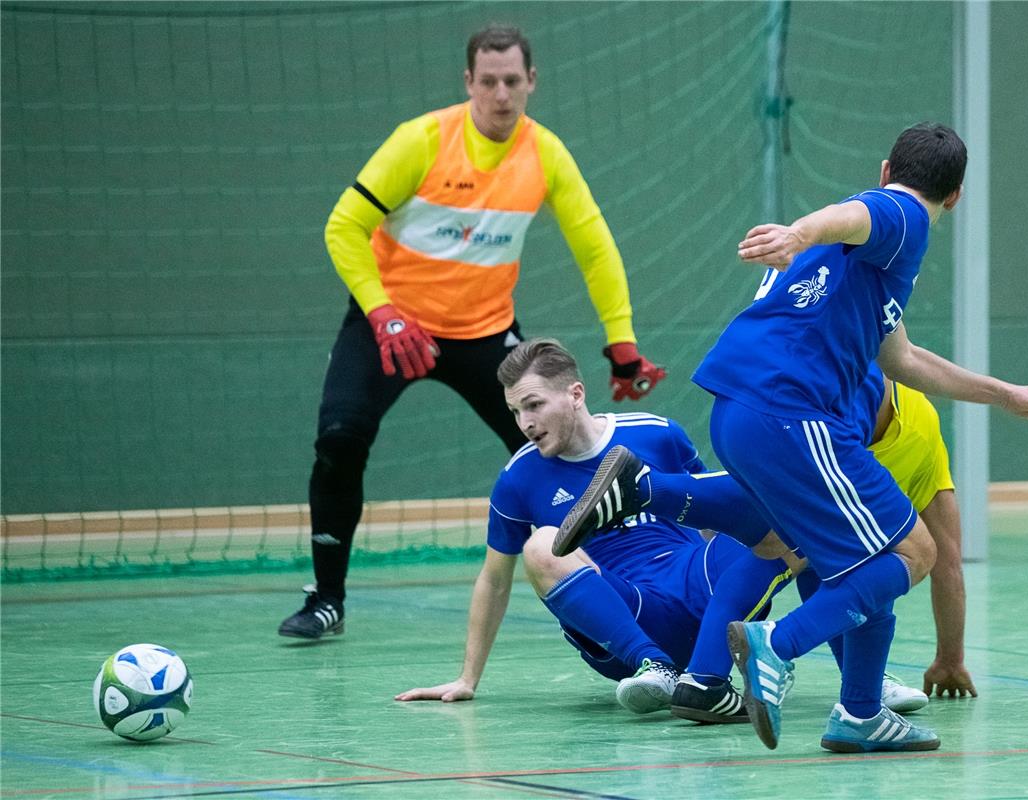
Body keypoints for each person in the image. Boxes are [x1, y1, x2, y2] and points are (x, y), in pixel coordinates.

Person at [278, 25, 665, 639]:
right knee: (339, 438)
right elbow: (343, 225)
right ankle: (326, 598)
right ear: (468, 83)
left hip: (484, 332)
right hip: (391, 324)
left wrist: (622, 342)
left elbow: (594, 247)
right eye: (489, 82)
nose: (502, 95)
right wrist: (383, 312)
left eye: (513, 81)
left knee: (558, 440)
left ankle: (631, 582)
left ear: (532, 82)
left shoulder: (545, 153)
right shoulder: (422, 141)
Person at [692, 122, 1028, 753]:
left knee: (861, 565)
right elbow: (857, 212)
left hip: (744, 413)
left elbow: (903, 361)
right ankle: (773, 646)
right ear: (956, 197)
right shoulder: (904, 216)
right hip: (789, 412)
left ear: (888, 164)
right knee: (916, 553)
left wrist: (1008, 396)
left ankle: (860, 714)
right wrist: (799, 232)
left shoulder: (874, 268)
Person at [557, 359, 979, 718]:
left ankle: (707, 677)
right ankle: (787, 657)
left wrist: (950, 658)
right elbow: (945, 562)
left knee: (814, 552)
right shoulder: (850, 384)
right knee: (842, 553)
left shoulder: (910, 424)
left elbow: (946, 562)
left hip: (749, 404)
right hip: (773, 412)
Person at [394, 338, 791, 719]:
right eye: (515, 411)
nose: (525, 423)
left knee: (779, 516)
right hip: (632, 612)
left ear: (576, 394)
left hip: (697, 579)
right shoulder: (519, 477)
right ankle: (655, 669)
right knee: (542, 545)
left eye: (534, 405)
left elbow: (716, 515)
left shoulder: (655, 432)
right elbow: (495, 580)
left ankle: (766, 651)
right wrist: (467, 678)